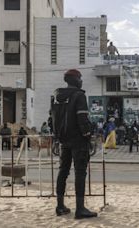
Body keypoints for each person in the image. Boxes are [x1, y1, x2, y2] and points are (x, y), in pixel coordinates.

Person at [53, 69, 97, 219]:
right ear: (76, 80)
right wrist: (88, 136)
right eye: (80, 78)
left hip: (63, 140)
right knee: (80, 173)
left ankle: (60, 206)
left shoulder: (58, 96)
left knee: (63, 171)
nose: (82, 80)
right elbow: (83, 119)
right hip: (78, 141)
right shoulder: (79, 95)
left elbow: (53, 118)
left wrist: (56, 137)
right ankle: (80, 208)